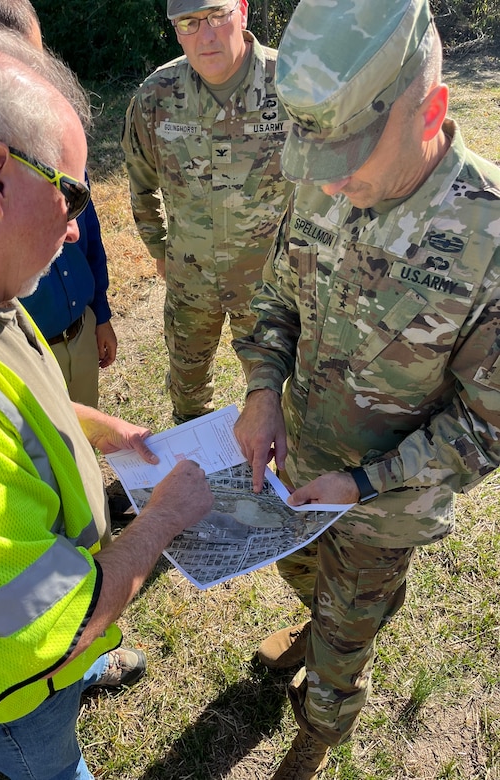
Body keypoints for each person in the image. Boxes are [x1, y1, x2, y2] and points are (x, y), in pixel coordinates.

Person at [0, 25, 213, 780]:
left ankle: (84, 680)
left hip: (58, 651)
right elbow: (51, 626)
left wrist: (94, 426)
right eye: (72, 191)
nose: (79, 224)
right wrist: (164, 521)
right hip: (16, 691)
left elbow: (8, 408)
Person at [233, 0, 500, 777]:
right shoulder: (326, 174)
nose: (330, 181)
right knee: (305, 580)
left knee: (348, 635)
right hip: (298, 474)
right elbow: (276, 298)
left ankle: (319, 732)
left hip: (383, 503)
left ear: (432, 113)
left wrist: (362, 483)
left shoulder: (487, 238)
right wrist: (260, 390)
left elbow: (485, 428)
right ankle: (314, 625)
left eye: (351, 159)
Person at [121, 0, 294, 424]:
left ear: (243, 11)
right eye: (190, 23)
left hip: (270, 288)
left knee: (279, 401)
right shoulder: (156, 97)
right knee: (188, 393)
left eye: (218, 15)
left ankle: (280, 483)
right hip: (190, 282)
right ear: (177, 30)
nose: (207, 34)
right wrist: (159, 248)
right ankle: (198, 472)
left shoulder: (292, 84)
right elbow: (140, 182)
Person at [0, 0, 118, 409]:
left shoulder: (55, 134)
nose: (30, 78)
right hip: (18, 359)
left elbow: (89, 234)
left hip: (80, 334)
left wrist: (101, 311)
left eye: (35, 61)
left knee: (81, 459)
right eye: (12, 61)